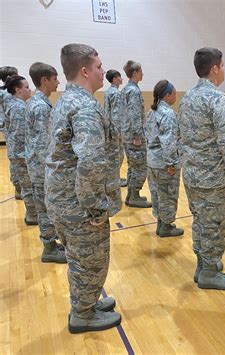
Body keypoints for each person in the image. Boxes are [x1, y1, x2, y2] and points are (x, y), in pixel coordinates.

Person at [44, 43, 122, 333]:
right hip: (79, 204)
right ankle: (83, 314)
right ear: (86, 70)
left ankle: (86, 302)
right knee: (91, 260)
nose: (104, 70)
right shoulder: (85, 107)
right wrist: (94, 207)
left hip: (62, 198)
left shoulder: (67, 101)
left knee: (80, 258)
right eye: (100, 66)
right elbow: (89, 161)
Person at [178, 47, 225, 290]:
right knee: (214, 224)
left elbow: (181, 136)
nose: (224, 69)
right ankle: (209, 272)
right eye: (223, 65)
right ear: (215, 69)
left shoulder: (187, 98)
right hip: (213, 177)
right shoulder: (217, 99)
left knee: (199, 220)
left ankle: (203, 264)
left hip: (193, 174)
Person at [26, 62, 66, 263]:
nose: (58, 82)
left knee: (45, 207)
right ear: (44, 80)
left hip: (37, 166)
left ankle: (50, 243)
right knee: (45, 208)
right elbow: (44, 146)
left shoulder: (36, 102)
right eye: (55, 78)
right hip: (42, 169)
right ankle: (49, 248)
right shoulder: (41, 106)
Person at [145, 80, 184, 237]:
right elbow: (168, 142)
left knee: (156, 194)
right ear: (167, 95)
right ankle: (166, 227)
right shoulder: (168, 114)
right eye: (174, 93)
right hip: (164, 163)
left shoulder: (151, 112)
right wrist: (171, 163)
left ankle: (160, 223)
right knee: (168, 195)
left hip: (152, 161)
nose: (176, 96)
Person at [3, 75, 38, 225]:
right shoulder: (18, 107)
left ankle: (33, 213)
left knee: (27, 185)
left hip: (19, 153)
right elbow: (19, 135)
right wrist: (23, 156)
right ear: (17, 90)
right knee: (28, 186)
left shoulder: (17, 104)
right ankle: (32, 216)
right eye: (26, 87)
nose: (29, 90)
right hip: (20, 154)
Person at [122, 60, 151, 208]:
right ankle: (134, 196)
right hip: (134, 137)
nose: (143, 73)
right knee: (140, 166)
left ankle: (131, 195)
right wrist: (137, 136)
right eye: (141, 71)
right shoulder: (133, 91)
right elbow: (134, 115)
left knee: (133, 166)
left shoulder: (127, 89)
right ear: (135, 73)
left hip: (128, 135)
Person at [0, 66, 22, 199]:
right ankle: (18, 187)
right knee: (15, 158)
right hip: (11, 130)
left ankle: (21, 186)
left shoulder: (13, 92)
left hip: (18, 128)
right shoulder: (5, 95)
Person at [104, 69, 127, 187]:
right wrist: (119, 132)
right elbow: (117, 115)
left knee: (113, 156)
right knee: (118, 155)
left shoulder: (108, 92)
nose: (121, 79)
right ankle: (114, 178)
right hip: (115, 129)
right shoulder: (116, 94)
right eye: (119, 77)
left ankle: (115, 177)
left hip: (109, 127)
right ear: (114, 79)